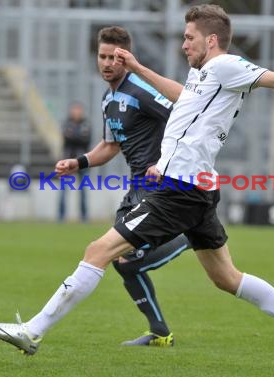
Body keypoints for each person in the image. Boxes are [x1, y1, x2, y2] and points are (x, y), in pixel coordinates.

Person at [0, 4, 274, 369]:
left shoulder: (228, 65)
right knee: (227, 278)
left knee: (99, 250)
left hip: (180, 189)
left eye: (188, 37)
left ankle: (32, 331)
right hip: (193, 187)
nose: (182, 44)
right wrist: (139, 70)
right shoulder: (203, 74)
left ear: (211, 40)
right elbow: (183, 98)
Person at [57, 26, 190, 345]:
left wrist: (165, 161)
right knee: (124, 264)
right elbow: (110, 145)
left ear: (126, 58)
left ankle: (189, 235)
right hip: (136, 189)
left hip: (159, 187)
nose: (106, 63)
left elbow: (186, 114)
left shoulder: (142, 91)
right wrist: (79, 162)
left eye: (114, 58)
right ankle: (159, 332)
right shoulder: (109, 98)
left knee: (125, 258)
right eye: (102, 57)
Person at [58, 102, 91, 222]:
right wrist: (77, 136)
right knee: (63, 190)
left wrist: (74, 136)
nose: (76, 112)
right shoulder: (67, 123)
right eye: (75, 110)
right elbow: (67, 138)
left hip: (82, 161)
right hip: (67, 161)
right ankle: (61, 216)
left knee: (83, 191)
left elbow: (86, 140)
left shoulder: (86, 124)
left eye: (78, 110)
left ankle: (84, 216)